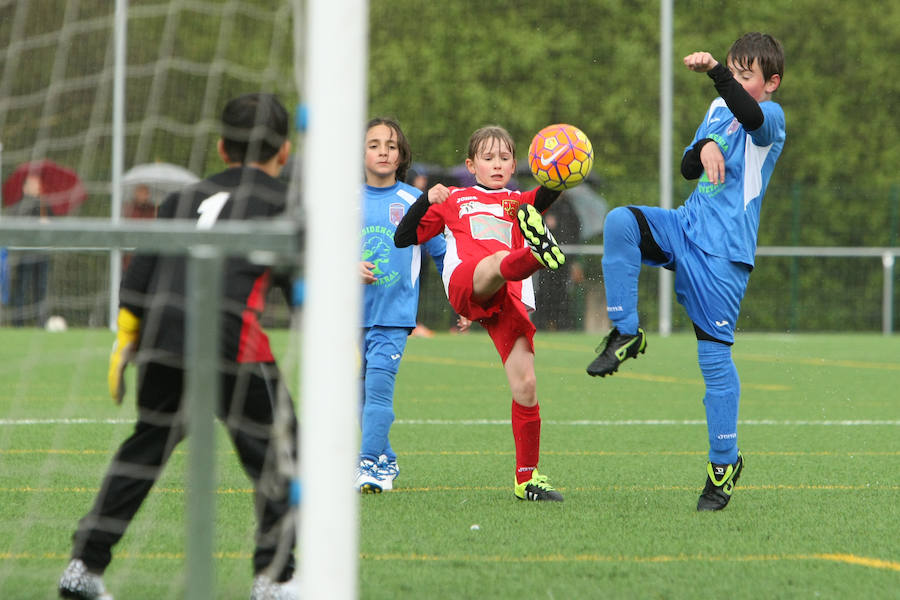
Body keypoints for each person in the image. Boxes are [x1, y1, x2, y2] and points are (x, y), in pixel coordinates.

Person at [58, 93, 300, 599]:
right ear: (284, 152)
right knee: (281, 454)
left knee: (145, 448)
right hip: (233, 343)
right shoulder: (284, 203)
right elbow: (299, 286)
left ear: (220, 148)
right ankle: (272, 581)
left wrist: (125, 343)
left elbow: (140, 276)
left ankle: (83, 567)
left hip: (163, 343)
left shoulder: (180, 199)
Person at [585, 33, 786, 511]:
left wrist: (718, 73)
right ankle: (626, 332)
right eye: (733, 73)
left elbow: (752, 117)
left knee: (713, 361)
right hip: (685, 225)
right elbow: (687, 165)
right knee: (621, 222)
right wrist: (707, 150)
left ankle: (724, 465)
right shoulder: (719, 111)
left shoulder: (772, 117)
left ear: (771, 82)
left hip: (723, 255)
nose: (735, 82)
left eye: (745, 75)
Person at [395, 124, 567, 502]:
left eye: (505, 157)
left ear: (515, 163)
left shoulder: (521, 201)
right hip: (466, 284)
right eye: (488, 158)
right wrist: (426, 199)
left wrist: (567, 160)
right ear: (471, 165)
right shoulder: (455, 198)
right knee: (497, 261)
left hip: (507, 299)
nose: (497, 164)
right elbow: (403, 238)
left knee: (526, 385)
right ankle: (536, 255)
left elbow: (554, 184)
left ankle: (527, 479)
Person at [355, 117, 459, 493]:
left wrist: (461, 299)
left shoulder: (413, 202)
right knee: (358, 398)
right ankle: (385, 460)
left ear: (401, 156)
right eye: (374, 144)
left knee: (378, 392)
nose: (383, 151)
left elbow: (442, 253)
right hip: (348, 319)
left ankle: (366, 466)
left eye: (391, 145)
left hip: (393, 316)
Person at [8, 174, 50, 327]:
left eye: (37, 184)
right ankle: (18, 323)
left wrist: (46, 223)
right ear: (25, 187)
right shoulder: (18, 206)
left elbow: (52, 227)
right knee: (22, 288)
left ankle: (41, 322)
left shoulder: (45, 205)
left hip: (42, 253)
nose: (35, 187)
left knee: (41, 289)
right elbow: (14, 227)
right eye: (32, 184)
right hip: (24, 254)